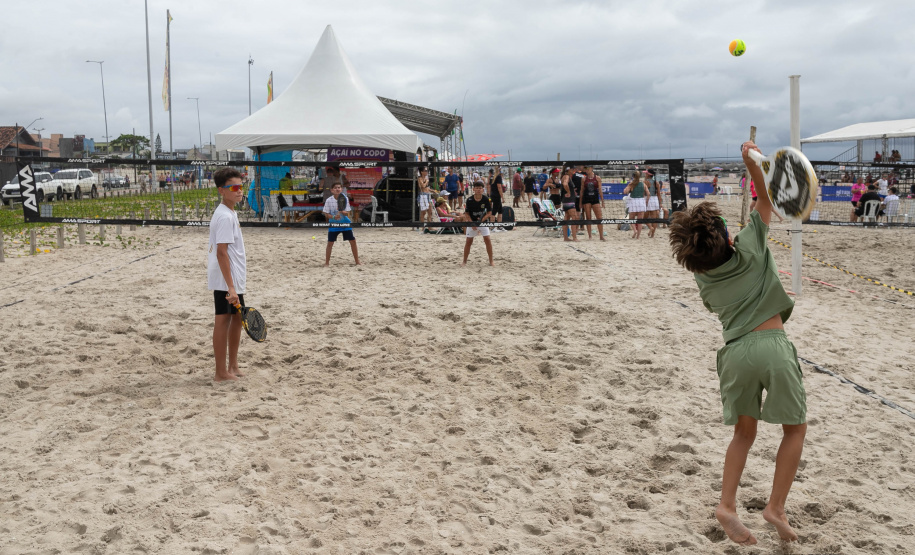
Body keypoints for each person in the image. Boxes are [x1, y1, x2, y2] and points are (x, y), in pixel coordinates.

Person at [668, 141, 806, 546]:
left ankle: (727, 505)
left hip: (734, 355)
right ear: (728, 238)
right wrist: (752, 162)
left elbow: (758, 204)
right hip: (772, 345)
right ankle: (775, 507)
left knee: (743, 434)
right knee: (795, 429)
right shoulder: (749, 246)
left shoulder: (703, 278)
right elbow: (765, 197)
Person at [207, 168, 248, 382]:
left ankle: (232, 365)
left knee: (237, 318)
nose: (239, 191)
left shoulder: (231, 212)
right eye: (234, 187)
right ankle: (220, 372)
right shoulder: (224, 216)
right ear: (221, 190)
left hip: (233, 276)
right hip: (226, 279)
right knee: (222, 320)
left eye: (241, 186)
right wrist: (230, 287)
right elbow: (221, 252)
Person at [323, 182, 361, 266]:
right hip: (334, 224)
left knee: (353, 241)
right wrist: (333, 217)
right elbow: (326, 214)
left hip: (345, 223)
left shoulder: (345, 198)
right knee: (330, 243)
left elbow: (347, 213)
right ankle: (327, 263)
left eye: (339, 187)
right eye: (335, 188)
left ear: (341, 189)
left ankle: (357, 261)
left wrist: (342, 212)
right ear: (332, 190)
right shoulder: (329, 200)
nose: (337, 189)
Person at [460, 181, 495, 266]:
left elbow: (489, 213)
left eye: (480, 188)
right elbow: (466, 214)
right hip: (472, 222)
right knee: (468, 241)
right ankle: (464, 261)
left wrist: (481, 220)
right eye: (477, 188)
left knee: (487, 240)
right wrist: (472, 223)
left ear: (483, 189)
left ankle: (491, 261)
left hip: (483, 223)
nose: (478, 190)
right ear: (473, 189)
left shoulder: (486, 199)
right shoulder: (469, 200)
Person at [579, 164, 606, 240]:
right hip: (586, 199)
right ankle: (590, 236)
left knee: (599, 217)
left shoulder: (597, 178)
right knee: (588, 218)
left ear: (591, 168)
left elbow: (600, 190)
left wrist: (602, 201)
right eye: (585, 169)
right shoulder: (584, 178)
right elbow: (581, 191)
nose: (586, 170)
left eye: (588, 169)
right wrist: (580, 202)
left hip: (595, 199)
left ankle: (601, 236)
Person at [624, 170, 647, 239]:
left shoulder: (631, 184)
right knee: (640, 221)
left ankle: (635, 230)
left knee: (631, 218)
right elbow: (648, 193)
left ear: (633, 176)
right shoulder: (643, 184)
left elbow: (625, 192)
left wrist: (628, 188)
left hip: (633, 201)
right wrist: (646, 202)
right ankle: (638, 236)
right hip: (641, 201)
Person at [561, 166, 579, 241]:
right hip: (569, 201)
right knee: (574, 218)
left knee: (566, 218)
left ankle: (566, 238)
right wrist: (569, 192)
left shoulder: (564, 176)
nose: (574, 170)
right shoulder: (566, 176)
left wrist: (572, 191)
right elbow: (565, 184)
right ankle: (574, 237)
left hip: (565, 201)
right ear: (569, 170)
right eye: (573, 169)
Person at [644, 169, 662, 238]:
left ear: (648, 174)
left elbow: (643, 193)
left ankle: (650, 228)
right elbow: (659, 194)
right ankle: (652, 234)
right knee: (654, 219)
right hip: (654, 200)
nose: (645, 174)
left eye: (646, 173)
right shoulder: (656, 183)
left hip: (647, 199)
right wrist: (660, 203)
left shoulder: (645, 182)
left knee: (644, 218)